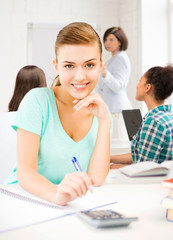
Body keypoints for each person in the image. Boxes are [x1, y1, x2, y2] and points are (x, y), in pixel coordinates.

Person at [6, 22, 112, 206]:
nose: (80, 76)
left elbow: (96, 178)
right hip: (22, 199)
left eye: (89, 65)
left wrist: (105, 121)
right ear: (56, 66)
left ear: (101, 65)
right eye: (69, 66)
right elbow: (26, 172)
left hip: (67, 206)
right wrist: (57, 195)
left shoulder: (99, 111)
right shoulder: (37, 101)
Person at [110, 65, 173, 168]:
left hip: (147, 181)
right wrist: (110, 158)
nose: (136, 86)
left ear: (147, 87)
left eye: (140, 81)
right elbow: (139, 155)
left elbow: (142, 168)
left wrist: (112, 167)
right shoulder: (166, 116)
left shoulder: (153, 122)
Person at [97, 27, 132, 139]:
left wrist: (105, 75)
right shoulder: (113, 59)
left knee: (119, 147)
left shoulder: (120, 58)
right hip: (113, 110)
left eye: (111, 39)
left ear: (120, 41)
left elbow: (119, 86)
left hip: (118, 111)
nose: (107, 43)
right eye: (106, 39)